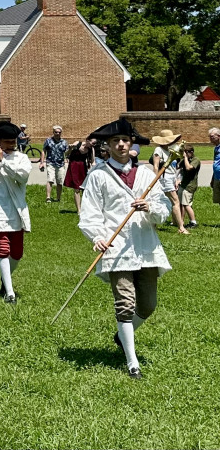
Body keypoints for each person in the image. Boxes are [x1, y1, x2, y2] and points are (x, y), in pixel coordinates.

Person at [78, 118, 171, 379]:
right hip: (116, 247)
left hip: (145, 246)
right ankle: (133, 364)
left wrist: (150, 208)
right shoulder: (98, 175)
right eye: (116, 141)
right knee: (125, 304)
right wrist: (97, 236)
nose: (121, 144)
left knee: (148, 305)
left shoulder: (146, 175)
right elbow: (90, 213)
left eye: (126, 141)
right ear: (107, 145)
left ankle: (121, 337)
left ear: (132, 145)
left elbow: (163, 210)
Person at [0, 120, 32, 304]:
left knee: (17, 253)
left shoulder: (21, 158)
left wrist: (3, 161)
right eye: (7, 141)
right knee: (3, 248)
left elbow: (22, 176)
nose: (12, 144)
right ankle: (10, 293)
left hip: (16, 208)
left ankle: (5, 279)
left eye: (13, 141)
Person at [151, 129, 186, 234]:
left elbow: (173, 167)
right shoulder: (158, 150)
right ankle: (181, 227)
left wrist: (176, 179)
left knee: (161, 200)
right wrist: (156, 179)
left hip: (171, 177)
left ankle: (157, 224)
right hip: (164, 178)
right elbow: (156, 166)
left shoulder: (170, 150)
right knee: (175, 201)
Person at [64, 137, 96, 214]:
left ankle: (86, 208)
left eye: (95, 144)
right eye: (93, 143)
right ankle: (79, 209)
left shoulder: (91, 149)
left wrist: (93, 169)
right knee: (77, 188)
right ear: (88, 141)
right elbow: (66, 154)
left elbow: (93, 161)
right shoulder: (78, 143)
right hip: (74, 166)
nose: (93, 145)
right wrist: (70, 148)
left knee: (85, 188)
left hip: (83, 167)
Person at [39, 125, 68, 203]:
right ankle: (48, 197)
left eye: (59, 132)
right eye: (56, 132)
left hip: (61, 164)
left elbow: (67, 152)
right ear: (53, 132)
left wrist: (68, 157)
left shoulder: (64, 142)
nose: (57, 133)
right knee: (50, 180)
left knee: (60, 181)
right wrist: (42, 162)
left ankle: (58, 198)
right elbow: (43, 151)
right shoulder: (48, 140)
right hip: (50, 163)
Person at [177, 144, 199, 229]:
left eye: (186, 152)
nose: (184, 154)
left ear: (191, 152)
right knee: (183, 204)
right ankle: (181, 221)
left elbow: (188, 168)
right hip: (183, 184)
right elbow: (178, 167)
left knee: (186, 204)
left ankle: (193, 222)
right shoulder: (185, 159)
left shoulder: (195, 160)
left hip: (190, 186)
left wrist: (185, 158)